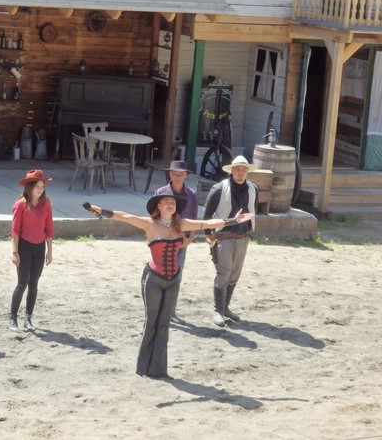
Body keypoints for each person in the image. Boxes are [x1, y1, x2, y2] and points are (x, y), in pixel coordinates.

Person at [85, 191, 253, 379]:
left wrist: (233, 221)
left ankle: (159, 370)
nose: (170, 204)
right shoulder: (149, 224)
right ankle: (144, 367)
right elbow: (124, 216)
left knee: (164, 324)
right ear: (159, 206)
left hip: (174, 280)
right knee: (152, 322)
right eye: (166, 201)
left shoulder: (182, 224)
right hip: (154, 278)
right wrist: (101, 210)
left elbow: (207, 223)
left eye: (172, 202)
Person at [203, 155, 259, 328]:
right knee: (223, 273)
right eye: (237, 169)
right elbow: (207, 213)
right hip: (224, 237)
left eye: (244, 169)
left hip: (243, 237)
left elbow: (253, 210)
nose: (240, 173)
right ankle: (218, 310)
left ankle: (226, 307)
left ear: (247, 172)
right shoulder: (219, 189)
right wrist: (208, 233)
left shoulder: (253, 189)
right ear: (232, 171)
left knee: (235, 274)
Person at [8, 169, 54, 332]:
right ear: (30, 187)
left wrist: (49, 251)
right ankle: (12, 318)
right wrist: (15, 252)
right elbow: (15, 231)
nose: (40, 189)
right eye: (37, 186)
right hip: (24, 247)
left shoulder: (46, 205)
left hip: (39, 247)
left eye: (42, 186)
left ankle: (28, 318)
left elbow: (49, 229)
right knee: (22, 283)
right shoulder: (20, 205)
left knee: (34, 284)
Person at [158, 160, 198, 325]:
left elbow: (194, 218)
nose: (178, 176)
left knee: (176, 277)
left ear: (186, 175)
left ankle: (171, 311)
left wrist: (190, 238)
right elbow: (154, 218)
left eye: (181, 173)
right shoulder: (161, 193)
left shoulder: (191, 195)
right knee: (160, 276)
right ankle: (159, 310)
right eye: (174, 173)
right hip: (163, 242)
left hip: (182, 242)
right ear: (169, 174)